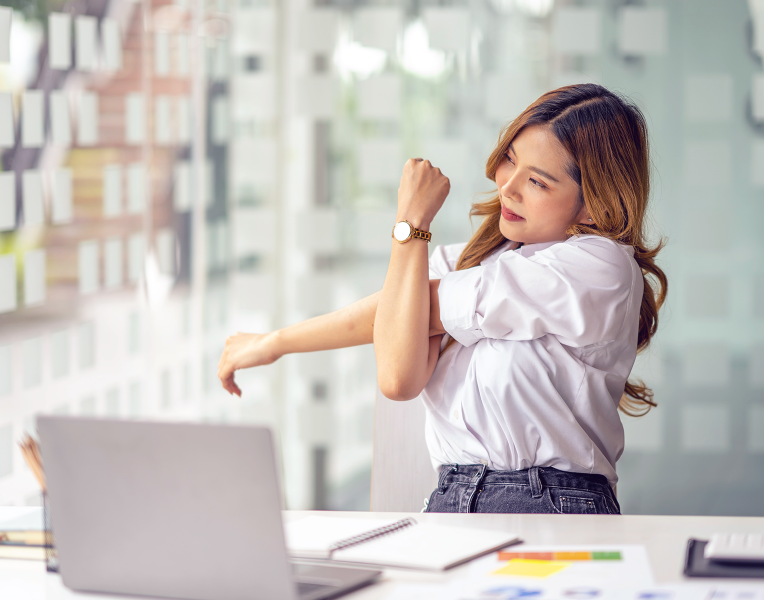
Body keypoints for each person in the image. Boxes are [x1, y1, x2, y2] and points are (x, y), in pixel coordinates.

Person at [217, 83, 667, 515]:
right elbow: (399, 375)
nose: (508, 187)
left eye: (539, 182)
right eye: (510, 160)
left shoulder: (599, 266)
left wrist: (411, 222)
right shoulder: (467, 263)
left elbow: (406, 321)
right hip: (449, 499)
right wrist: (272, 342)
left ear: (591, 204)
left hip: (551, 502)